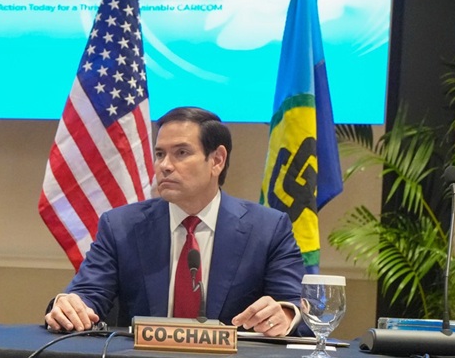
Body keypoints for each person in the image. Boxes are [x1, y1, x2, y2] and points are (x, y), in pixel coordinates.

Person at [44, 107, 307, 336]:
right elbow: (89, 293)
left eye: (181, 153)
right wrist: (71, 305)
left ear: (217, 160)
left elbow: (294, 305)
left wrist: (285, 314)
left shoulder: (268, 229)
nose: (164, 166)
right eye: (159, 154)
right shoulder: (121, 226)